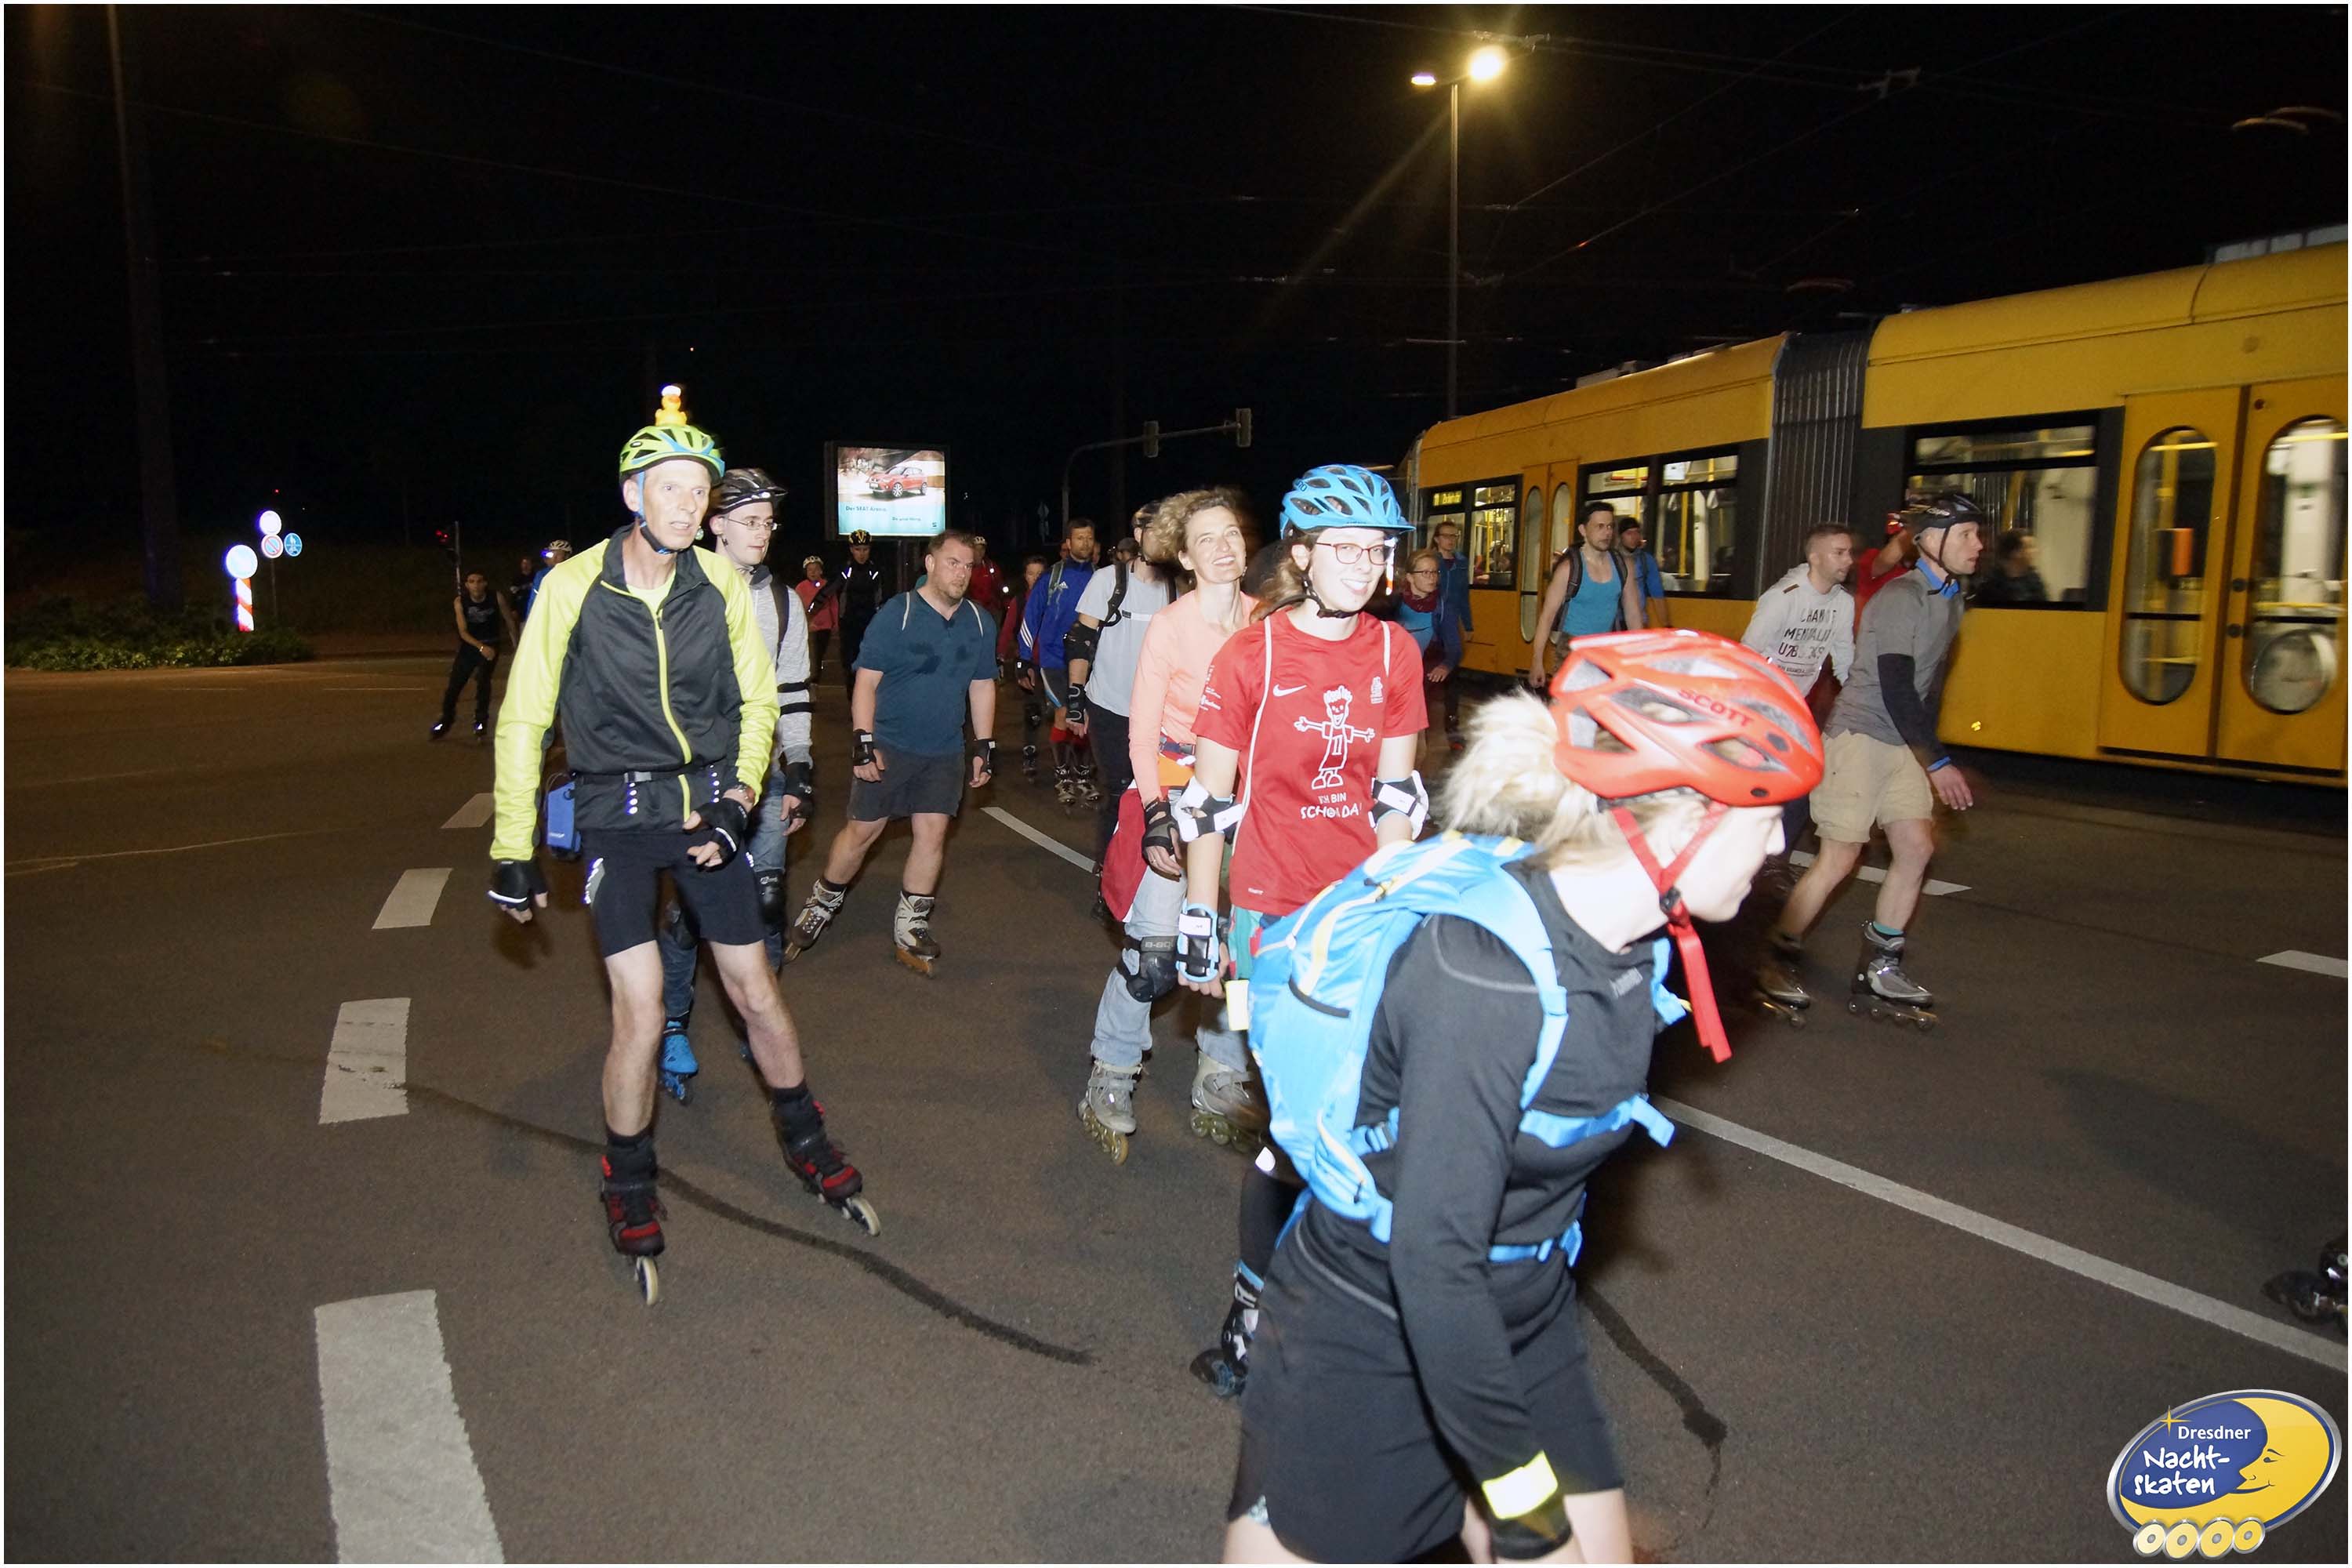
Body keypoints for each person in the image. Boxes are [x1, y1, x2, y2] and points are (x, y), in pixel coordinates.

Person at [1221, 631, 1822, 1566]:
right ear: (1683, 821)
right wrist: (1522, 1506)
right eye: (1763, 814)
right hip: (1373, 1325)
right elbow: (1433, 1260)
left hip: (1522, 1305)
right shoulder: (1484, 974)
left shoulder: (1635, 944)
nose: (1781, 844)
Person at [485, 391, 873, 1300]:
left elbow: (757, 700)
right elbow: (524, 716)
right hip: (616, 813)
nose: (689, 503)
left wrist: (741, 796)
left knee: (754, 986)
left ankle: (806, 1139)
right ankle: (627, 1177)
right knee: (641, 1007)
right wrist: (511, 843)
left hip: (705, 807)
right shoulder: (574, 586)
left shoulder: (720, 584)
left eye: (700, 489)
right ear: (633, 494)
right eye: (671, 486)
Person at [1173, 463, 1428, 1397]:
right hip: (1268, 916)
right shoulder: (1253, 656)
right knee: (1294, 1125)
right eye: (1344, 548)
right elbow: (1208, 801)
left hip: (1358, 913)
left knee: (1370, 1117)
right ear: (1304, 555)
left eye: (1377, 549)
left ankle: (1358, 1299)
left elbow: (1395, 797)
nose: (1363, 564)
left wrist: (1395, 907)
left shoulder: (1395, 654)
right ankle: (1251, 1312)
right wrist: (1199, 914)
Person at [1759, 492, 1984, 1028]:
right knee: (1840, 857)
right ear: (1931, 540)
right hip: (1859, 736)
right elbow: (1898, 685)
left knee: (1916, 847)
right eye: (1967, 534)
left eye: (1979, 535)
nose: (1979, 545)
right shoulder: (1903, 597)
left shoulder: (1951, 598)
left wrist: (1926, 751)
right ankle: (1769, 957)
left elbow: (1930, 688)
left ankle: (1881, 966)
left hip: (1901, 741)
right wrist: (1938, 762)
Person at [1079, 491, 1257, 1163]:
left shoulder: (1267, 622)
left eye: (1231, 534)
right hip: (1176, 788)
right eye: (1206, 538)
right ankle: (1112, 1068)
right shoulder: (1170, 626)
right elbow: (1142, 729)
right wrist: (1156, 813)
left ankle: (1223, 1071)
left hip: (1242, 798)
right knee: (1153, 955)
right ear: (1185, 556)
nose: (1223, 547)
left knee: (1239, 954)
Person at [652, 467, 818, 1102]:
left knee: (768, 902)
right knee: (689, 911)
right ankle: (672, 1021)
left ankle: (760, 1020)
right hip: (695, 779)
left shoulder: (784, 602)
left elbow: (792, 690)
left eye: (769, 523)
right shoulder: (679, 588)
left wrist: (799, 767)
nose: (763, 533)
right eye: (750, 521)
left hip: (762, 775)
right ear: (715, 525)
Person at [785, 530, 998, 976]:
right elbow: (866, 681)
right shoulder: (897, 614)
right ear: (930, 563)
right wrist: (863, 743)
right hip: (890, 746)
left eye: (968, 565)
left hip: (944, 751)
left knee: (932, 835)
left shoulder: (979, 622)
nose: (961, 572)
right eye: (953, 562)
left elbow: (981, 685)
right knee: (862, 833)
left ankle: (912, 922)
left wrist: (983, 744)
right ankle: (823, 901)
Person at [1740, 521, 1855, 874]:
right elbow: (1748, 654)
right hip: (1762, 705)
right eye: (1839, 553)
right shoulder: (1783, 598)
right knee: (1760, 786)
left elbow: (1845, 660)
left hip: (1795, 707)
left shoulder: (1843, 603)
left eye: (1849, 553)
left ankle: (1775, 860)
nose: (1849, 560)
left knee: (1803, 783)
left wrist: (1858, 703)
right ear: (1815, 557)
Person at [1067, 503, 1174, 862]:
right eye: (1157, 531)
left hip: (1160, 712)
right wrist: (1075, 699)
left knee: (1156, 794)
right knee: (1117, 792)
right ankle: (1108, 869)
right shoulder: (1108, 581)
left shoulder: (1178, 586)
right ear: (1140, 535)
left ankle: (1145, 868)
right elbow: (1080, 639)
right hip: (1110, 706)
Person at [1017, 519, 1100, 808]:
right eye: (1079, 538)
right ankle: (1063, 775)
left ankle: (1084, 775)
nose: (1085, 543)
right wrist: (1024, 659)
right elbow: (1031, 615)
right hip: (1053, 658)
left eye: (1089, 538)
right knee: (1065, 713)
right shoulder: (1053, 577)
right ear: (1068, 542)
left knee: (1085, 717)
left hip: (1089, 660)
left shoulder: (1101, 578)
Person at [1526, 505, 1644, 689]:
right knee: (1569, 704)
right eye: (1600, 526)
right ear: (1583, 530)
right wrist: (1537, 661)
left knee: (1602, 704)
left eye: (1610, 526)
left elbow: (1633, 614)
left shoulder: (1623, 566)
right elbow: (1547, 616)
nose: (1607, 532)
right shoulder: (1569, 569)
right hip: (1571, 650)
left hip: (1605, 649)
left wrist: (1641, 655)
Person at [1392, 547, 1465, 757]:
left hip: (1421, 678)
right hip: (1393, 678)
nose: (1432, 578)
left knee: (1417, 741)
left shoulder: (1443, 607)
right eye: (1425, 573)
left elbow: (1454, 644)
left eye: (1435, 572)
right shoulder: (1394, 605)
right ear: (1409, 577)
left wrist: (1446, 665)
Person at [433, 569, 520, 739]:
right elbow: (463, 631)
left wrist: (517, 645)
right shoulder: (460, 602)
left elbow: (509, 621)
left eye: (479, 581)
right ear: (466, 585)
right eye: (472, 582)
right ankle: (446, 719)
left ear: (485, 583)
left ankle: (481, 721)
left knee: (483, 681)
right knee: (454, 685)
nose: (476, 585)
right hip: (471, 646)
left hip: (491, 644)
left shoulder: (496, 598)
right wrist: (480, 647)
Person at [1431, 520, 1475, 750]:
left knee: (1453, 678)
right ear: (1437, 539)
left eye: (1454, 536)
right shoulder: (1430, 561)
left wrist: (1468, 625)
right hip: (1431, 620)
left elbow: (1464, 596)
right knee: (1428, 675)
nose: (1450, 540)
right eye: (1446, 536)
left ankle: (1453, 731)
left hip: (1451, 621)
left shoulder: (1461, 563)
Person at [1004, 554, 1050, 766]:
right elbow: (1008, 628)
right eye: (1031, 574)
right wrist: (1002, 655)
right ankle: (1030, 748)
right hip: (1029, 660)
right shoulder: (1020, 601)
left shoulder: (1054, 601)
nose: (1036, 578)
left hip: (1053, 662)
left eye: (1040, 574)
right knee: (1032, 709)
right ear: (1025, 576)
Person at [831, 529, 889, 691]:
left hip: (870, 624)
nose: (862, 554)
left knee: (870, 664)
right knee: (850, 664)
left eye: (865, 549)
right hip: (849, 625)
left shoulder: (875, 569)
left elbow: (884, 595)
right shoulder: (846, 569)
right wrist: (811, 610)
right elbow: (829, 589)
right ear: (851, 549)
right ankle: (852, 699)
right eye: (858, 549)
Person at [1614, 518, 1670, 626]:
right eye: (1629, 533)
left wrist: (1666, 625)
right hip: (1615, 622)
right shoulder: (1611, 559)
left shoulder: (1646, 560)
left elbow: (1657, 594)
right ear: (1620, 536)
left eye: (1637, 532)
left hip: (1638, 619)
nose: (1634, 537)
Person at [1973, 529, 2049, 605]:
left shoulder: (2034, 581)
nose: (2036, 551)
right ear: (2015, 552)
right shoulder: (1991, 585)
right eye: (2029, 547)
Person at [797, 554, 839, 678]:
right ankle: (810, 678)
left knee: (820, 653)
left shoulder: (827, 586)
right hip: (808, 627)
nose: (813, 572)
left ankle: (816, 679)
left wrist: (835, 623)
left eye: (816, 569)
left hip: (825, 627)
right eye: (810, 570)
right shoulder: (801, 587)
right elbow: (798, 608)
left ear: (821, 571)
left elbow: (834, 605)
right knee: (810, 654)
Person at [521, 539, 572, 621]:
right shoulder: (542, 574)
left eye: (558, 554)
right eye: (552, 554)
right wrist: (529, 619)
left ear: (567, 556)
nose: (554, 558)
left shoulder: (573, 573)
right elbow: (534, 599)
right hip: (547, 617)